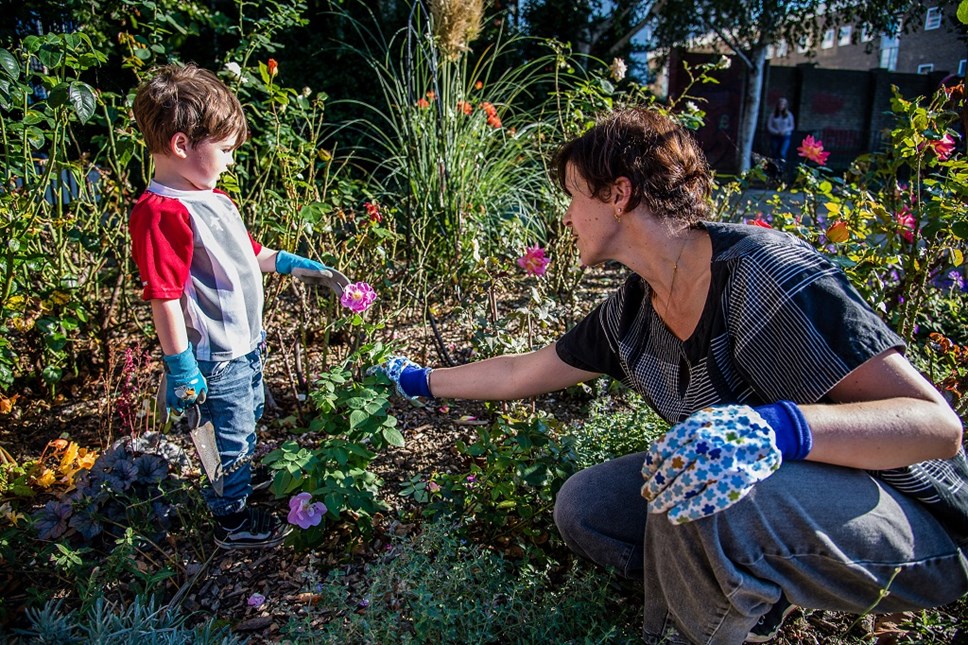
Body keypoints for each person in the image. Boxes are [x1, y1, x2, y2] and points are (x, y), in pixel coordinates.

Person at [374, 107, 968, 643]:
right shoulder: (633, 313)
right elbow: (522, 371)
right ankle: (752, 599)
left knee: (702, 487)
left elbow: (935, 427)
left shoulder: (766, 274)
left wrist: (772, 431)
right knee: (590, 505)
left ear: (620, 193)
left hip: (922, 529)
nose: (567, 214)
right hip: (798, 505)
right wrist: (421, 380)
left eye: (574, 195)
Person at [129, 64, 349, 549]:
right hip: (212, 359)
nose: (230, 163)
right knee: (225, 437)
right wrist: (181, 366)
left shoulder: (214, 200)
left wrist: (299, 265)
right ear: (183, 144)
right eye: (225, 151)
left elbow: (250, 253)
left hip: (246, 346)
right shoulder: (162, 212)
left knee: (244, 421)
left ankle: (238, 486)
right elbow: (164, 296)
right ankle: (231, 521)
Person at [767, 97, 795, 166]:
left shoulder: (789, 115)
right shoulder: (773, 115)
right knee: (774, 153)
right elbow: (769, 126)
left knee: (782, 153)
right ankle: (774, 168)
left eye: (783, 105)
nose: (781, 106)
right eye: (780, 104)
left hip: (785, 136)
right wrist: (776, 131)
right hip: (775, 136)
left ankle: (782, 169)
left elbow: (791, 126)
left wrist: (784, 131)